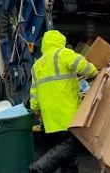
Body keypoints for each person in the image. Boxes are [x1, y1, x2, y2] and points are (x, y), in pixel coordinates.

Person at [29, 30, 98, 173]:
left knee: (69, 157)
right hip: (67, 113)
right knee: (70, 145)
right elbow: (84, 67)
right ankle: (39, 168)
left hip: (50, 117)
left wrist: (36, 109)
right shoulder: (64, 54)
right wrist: (95, 72)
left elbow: (34, 93)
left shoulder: (37, 65)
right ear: (61, 41)